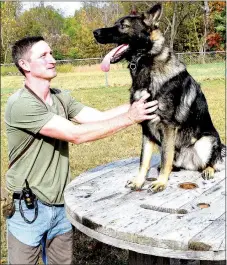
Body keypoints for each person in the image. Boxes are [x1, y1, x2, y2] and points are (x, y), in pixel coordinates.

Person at [4, 36, 159, 264]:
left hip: (61, 203)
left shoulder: (60, 97)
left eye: (51, 53)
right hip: (28, 208)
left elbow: (98, 117)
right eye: (43, 55)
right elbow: (76, 134)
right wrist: (129, 117)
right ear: (24, 65)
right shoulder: (21, 104)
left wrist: (142, 103)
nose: (52, 59)